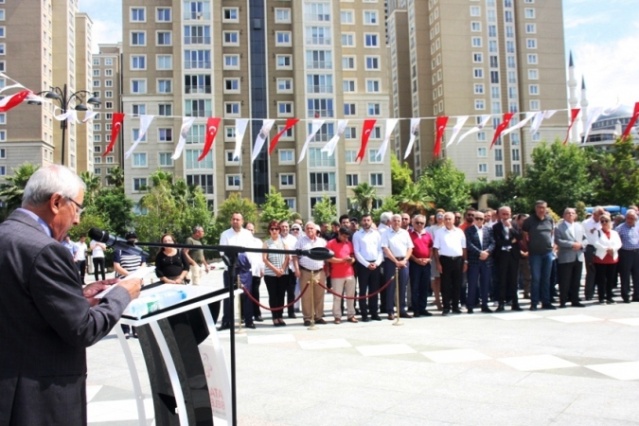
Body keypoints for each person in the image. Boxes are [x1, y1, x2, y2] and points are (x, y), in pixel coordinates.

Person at [0, 164, 141, 426]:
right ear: (56, 202)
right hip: (37, 399)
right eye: (77, 209)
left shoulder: (7, 236)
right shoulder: (46, 250)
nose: (77, 220)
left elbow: (20, 303)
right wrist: (122, 294)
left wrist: (77, 296)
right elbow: (83, 329)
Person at [219, 213, 255, 330]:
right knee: (228, 296)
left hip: (244, 269)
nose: (235, 221)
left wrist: (246, 263)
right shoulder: (225, 234)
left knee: (247, 295)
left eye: (237, 219)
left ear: (242, 221)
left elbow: (251, 251)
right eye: (233, 219)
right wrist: (234, 259)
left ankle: (249, 320)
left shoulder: (247, 234)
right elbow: (222, 252)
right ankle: (226, 321)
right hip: (230, 269)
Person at [522, 200, 556, 311]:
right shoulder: (529, 221)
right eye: (539, 207)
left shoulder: (549, 219)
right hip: (535, 254)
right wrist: (527, 249)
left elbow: (552, 234)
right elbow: (524, 236)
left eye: (543, 207)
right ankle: (534, 302)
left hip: (547, 253)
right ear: (535, 208)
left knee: (546, 278)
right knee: (536, 279)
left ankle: (546, 301)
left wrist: (553, 248)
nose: (541, 210)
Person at [293, 221, 328, 326]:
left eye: (311, 228)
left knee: (319, 295)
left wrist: (327, 269)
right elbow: (295, 256)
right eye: (307, 228)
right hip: (305, 271)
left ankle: (318, 316)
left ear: (316, 230)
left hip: (319, 271)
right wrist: (297, 269)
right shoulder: (300, 241)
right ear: (305, 230)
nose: (309, 230)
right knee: (306, 296)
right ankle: (307, 318)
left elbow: (327, 256)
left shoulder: (322, 242)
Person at [114, 231, 148, 339]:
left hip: (137, 282)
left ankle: (136, 328)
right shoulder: (119, 250)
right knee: (124, 306)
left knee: (137, 305)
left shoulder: (139, 250)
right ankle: (125, 329)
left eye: (134, 238)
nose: (132, 240)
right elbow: (116, 266)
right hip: (124, 282)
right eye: (130, 238)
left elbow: (143, 264)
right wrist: (130, 275)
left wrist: (138, 275)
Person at [433, 212, 467, 315]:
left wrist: (465, 261)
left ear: (454, 220)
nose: (448, 221)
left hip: (458, 260)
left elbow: (464, 248)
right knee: (445, 285)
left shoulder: (459, 232)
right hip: (445, 260)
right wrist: (438, 263)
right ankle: (446, 307)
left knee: (457, 284)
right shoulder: (439, 232)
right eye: (446, 219)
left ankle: (455, 306)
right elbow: (435, 249)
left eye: (450, 219)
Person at [382, 214, 414, 319]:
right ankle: (390, 311)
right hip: (391, 262)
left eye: (398, 221)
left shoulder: (405, 233)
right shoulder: (386, 233)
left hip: (404, 261)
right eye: (394, 220)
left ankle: (402, 310)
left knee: (403, 286)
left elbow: (410, 248)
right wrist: (395, 261)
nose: (396, 222)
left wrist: (405, 260)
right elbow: (385, 248)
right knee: (391, 287)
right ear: (391, 222)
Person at [353, 213, 383, 322]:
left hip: (375, 264)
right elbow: (356, 252)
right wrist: (367, 264)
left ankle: (374, 312)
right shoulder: (357, 235)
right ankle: (364, 314)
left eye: (368, 220)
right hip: (363, 265)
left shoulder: (377, 234)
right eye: (364, 220)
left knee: (374, 290)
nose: (366, 222)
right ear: (361, 222)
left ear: (371, 221)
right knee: (363, 290)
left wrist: (377, 263)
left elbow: (380, 250)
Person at [554, 208, 587, 308]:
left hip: (578, 256)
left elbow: (585, 239)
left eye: (573, 213)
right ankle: (563, 301)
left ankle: (575, 300)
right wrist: (572, 244)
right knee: (564, 280)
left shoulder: (579, 226)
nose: (570, 215)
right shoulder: (559, 227)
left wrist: (581, 245)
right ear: (564, 215)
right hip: (565, 257)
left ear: (575, 215)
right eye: (568, 213)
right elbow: (558, 240)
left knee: (576, 280)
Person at [492, 207, 523, 311]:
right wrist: (510, 242)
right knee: (502, 280)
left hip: (513, 255)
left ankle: (515, 303)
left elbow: (519, 237)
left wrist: (510, 228)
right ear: (499, 215)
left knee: (514, 280)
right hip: (502, 255)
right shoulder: (496, 226)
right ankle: (501, 303)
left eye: (507, 214)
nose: (505, 216)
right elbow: (498, 242)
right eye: (503, 214)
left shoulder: (514, 224)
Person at [464, 211, 495, 313]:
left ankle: (484, 305)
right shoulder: (469, 230)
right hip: (474, 260)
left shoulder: (489, 230)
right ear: (473, 219)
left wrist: (487, 252)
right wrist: (480, 252)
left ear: (484, 219)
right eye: (477, 218)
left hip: (486, 260)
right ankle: (470, 305)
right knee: (472, 283)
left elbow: (492, 243)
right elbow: (468, 244)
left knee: (485, 283)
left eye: (481, 219)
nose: (479, 220)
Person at [326, 227, 357, 324]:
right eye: (344, 236)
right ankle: (337, 316)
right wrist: (343, 260)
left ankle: (351, 315)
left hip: (350, 273)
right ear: (339, 233)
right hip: (337, 274)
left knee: (351, 296)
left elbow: (353, 256)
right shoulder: (330, 243)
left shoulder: (349, 243)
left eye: (347, 237)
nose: (345, 239)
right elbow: (328, 258)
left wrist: (352, 260)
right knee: (337, 297)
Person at [263, 220, 290, 326]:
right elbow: (265, 259)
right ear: (269, 231)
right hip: (270, 274)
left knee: (281, 295)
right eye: (272, 229)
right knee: (273, 296)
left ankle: (280, 316)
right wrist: (275, 270)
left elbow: (287, 257)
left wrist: (282, 269)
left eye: (276, 229)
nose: (274, 231)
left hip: (283, 273)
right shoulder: (266, 243)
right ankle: (274, 317)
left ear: (279, 230)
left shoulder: (284, 243)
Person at [594, 213, 622, 303]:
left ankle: (609, 297)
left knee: (611, 279)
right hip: (601, 259)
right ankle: (601, 297)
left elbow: (619, 243)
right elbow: (596, 243)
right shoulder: (597, 232)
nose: (604, 223)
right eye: (602, 221)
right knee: (601, 279)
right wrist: (606, 249)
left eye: (606, 221)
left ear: (610, 222)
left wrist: (613, 249)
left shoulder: (614, 233)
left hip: (612, 258)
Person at [409, 214, 433, 317]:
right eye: (417, 222)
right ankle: (416, 309)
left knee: (424, 287)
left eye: (422, 223)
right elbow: (407, 250)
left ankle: (423, 308)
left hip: (426, 264)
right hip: (414, 264)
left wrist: (429, 259)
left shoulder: (428, 234)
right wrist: (416, 259)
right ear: (412, 223)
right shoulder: (408, 234)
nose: (419, 225)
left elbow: (431, 248)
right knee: (415, 287)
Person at [614, 209, 639, 303]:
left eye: (632, 218)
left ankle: (637, 295)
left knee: (637, 275)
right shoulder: (620, 228)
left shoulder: (637, 226)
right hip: (625, 253)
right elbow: (616, 240)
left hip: (637, 252)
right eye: (628, 218)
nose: (629, 220)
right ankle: (626, 295)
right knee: (625, 275)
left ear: (635, 219)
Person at [582, 206, 605, 301]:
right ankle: (589, 293)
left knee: (602, 271)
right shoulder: (586, 223)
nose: (602, 215)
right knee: (591, 271)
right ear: (594, 214)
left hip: (601, 248)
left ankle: (601, 292)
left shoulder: (603, 222)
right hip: (590, 248)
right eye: (600, 214)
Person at [245, 222, 265, 322]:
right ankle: (244, 315)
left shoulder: (258, 242)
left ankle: (257, 314)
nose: (250, 231)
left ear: (254, 231)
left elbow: (262, 256)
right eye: (248, 229)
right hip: (244, 272)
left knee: (255, 293)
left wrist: (262, 269)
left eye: (251, 229)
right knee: (244, 294)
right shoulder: (241, 241)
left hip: (256, 271)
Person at [280, 220, 299, 319]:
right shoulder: (276, 238)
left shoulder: (293, 239)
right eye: (282, 226)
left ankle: (291, 312)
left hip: (291, 268)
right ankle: (279, 312)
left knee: (291, 292)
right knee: (280, 292)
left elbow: (296, 255)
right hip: (280, 268)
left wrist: (297, 268)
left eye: (286, 227)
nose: (284, 228)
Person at [427, 209, 446, 310]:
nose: (440, 217)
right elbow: (430, 243)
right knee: (436, 278)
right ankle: (437, 299)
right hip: (435, 256)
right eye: (438, 215)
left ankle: (446, 299)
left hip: (446, 255)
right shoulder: (431, 229)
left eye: (442, 215)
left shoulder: (447, 227)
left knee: (445, 279)